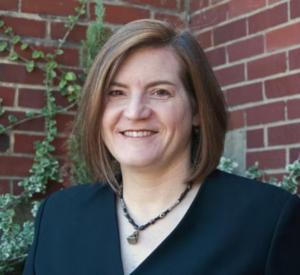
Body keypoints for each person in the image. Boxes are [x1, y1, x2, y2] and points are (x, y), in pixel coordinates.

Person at [23, 19, 300, 275]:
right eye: (116, 93)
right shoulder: (58, 216)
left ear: (196, 110)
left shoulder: (268, 220)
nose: (135, 112)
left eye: (160, 92)